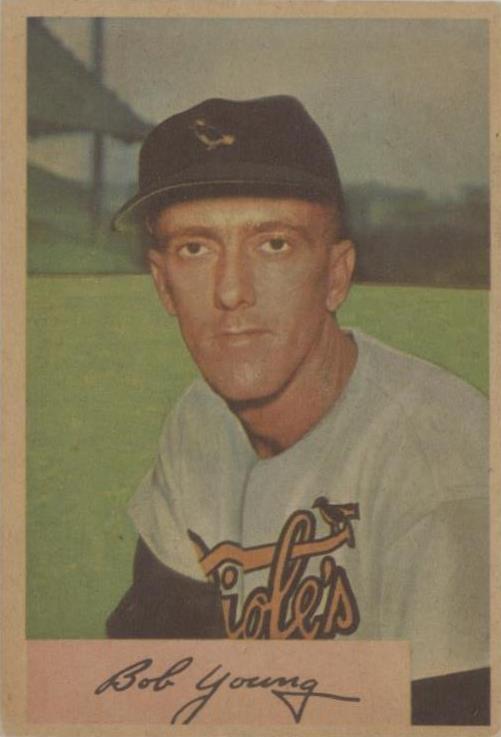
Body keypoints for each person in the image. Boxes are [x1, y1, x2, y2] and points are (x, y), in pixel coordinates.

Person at [108, 96, 489, 724]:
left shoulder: (441, 473)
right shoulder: (199, 416)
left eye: (275, 244)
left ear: (336, 276)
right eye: (196, 249)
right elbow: (150, 680)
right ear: (162, 283)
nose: (232, 291)